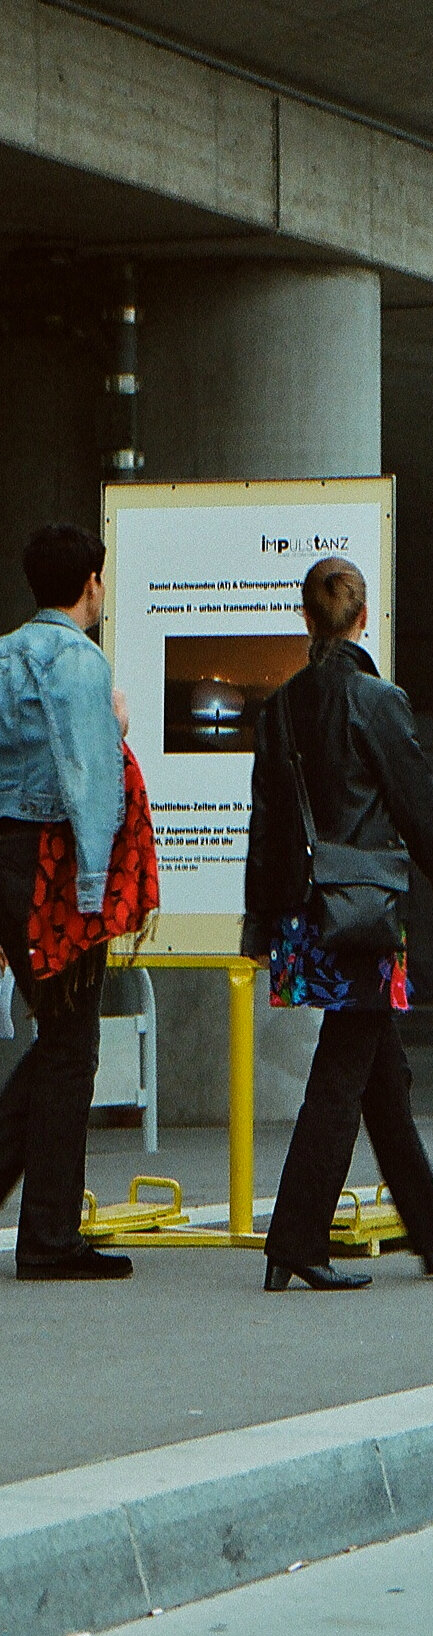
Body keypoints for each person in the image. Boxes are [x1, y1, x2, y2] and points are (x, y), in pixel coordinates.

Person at [243, 556, 433, 1292]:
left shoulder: (281, 707)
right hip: (363, 913)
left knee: (380, 1069)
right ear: (361, 619)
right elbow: (417, 801)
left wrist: (259, 925)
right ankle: (295, 1238)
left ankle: (432, 1228)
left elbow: (267, 823)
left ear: (307, 618)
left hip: (305, 910)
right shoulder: (377, 700)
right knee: (343, 1070)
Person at [0, 524, 131, 1281]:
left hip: (5, 862)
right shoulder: (80, 662)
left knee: (56, 1038)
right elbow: (90, 784)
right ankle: (50, 1238)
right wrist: (94, 892)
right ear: (90, 584)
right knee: (73, 1047)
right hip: (55, 865)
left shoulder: (3, 655)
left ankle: (43, 1225)